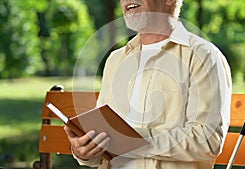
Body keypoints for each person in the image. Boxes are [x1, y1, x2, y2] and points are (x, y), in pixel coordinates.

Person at [64, 0, 232, 168]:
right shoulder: (115, 60)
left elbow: (208, 139)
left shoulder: (203, 56)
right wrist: (84, 152)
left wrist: (132, 141)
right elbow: (104, 143)